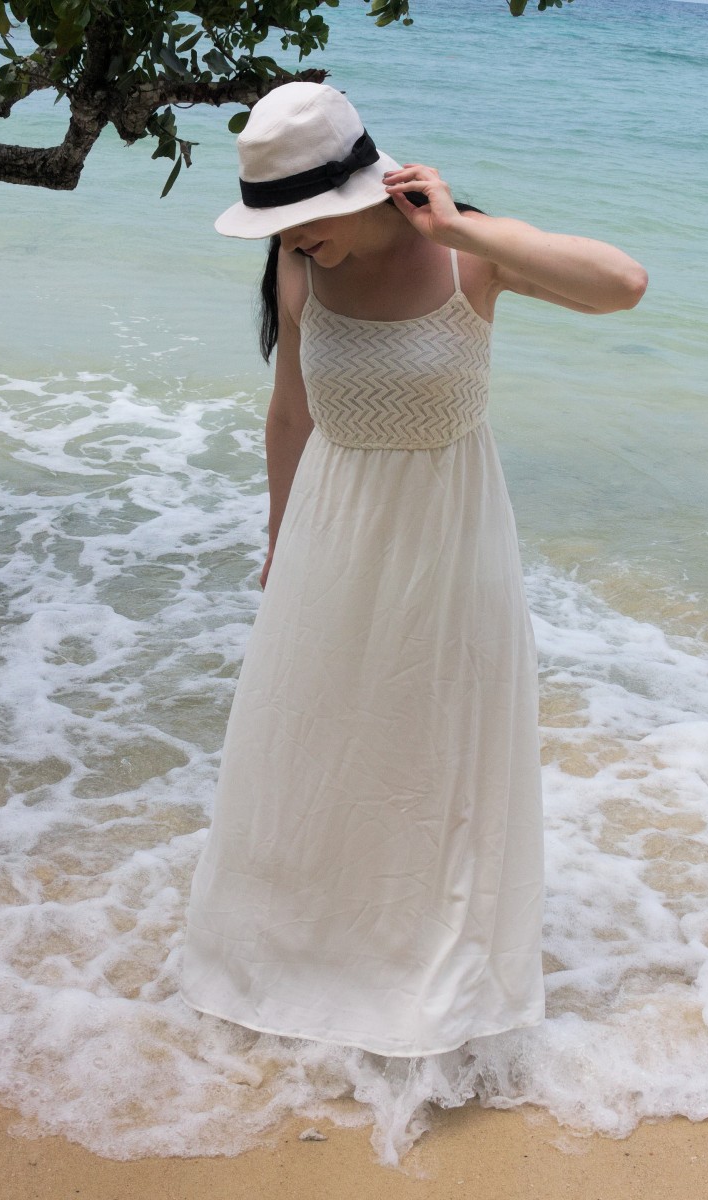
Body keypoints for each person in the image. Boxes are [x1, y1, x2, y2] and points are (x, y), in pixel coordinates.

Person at [179, 82, 647, 1058]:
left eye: (307, 219)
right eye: (281, 225)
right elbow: (289, 416)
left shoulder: (463, 256)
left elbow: (621, 284)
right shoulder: (298, 264)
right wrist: (277, 542)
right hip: (329, 534)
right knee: (321, 748)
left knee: (437, 755)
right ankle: (308, 954)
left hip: (449, 538)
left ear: (364, 186)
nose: (294, 239)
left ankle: (436, 983)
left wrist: (469, 231)